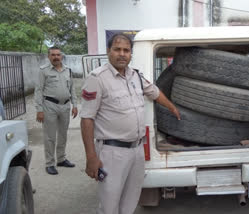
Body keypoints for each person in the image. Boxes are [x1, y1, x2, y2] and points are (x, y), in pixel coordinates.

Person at [80, 33, 180, 214]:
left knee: (130, 201)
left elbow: (155, 92)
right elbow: (87, 118)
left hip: (137, 150)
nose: (122, 54)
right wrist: (91, 157)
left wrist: (173, 108)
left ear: (131, 54)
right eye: (117, 49)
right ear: (108, 51)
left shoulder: (136, 77)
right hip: (112, 152)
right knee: (109, 205)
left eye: (126, 50)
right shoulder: (97, 78)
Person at [34, 46, 78, 175]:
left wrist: (75, 105)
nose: (56, 57)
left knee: (63, 135)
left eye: (58, 55)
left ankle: (61, 159)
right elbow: (38, 90)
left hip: (65, 106)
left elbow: (72, 89)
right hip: (49, 106)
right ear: (49, 57)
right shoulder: (43, 71)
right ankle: (49, 163)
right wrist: (39, 109)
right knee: (50, 136)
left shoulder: (67, 71)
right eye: (53, 55)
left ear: (62, 56)